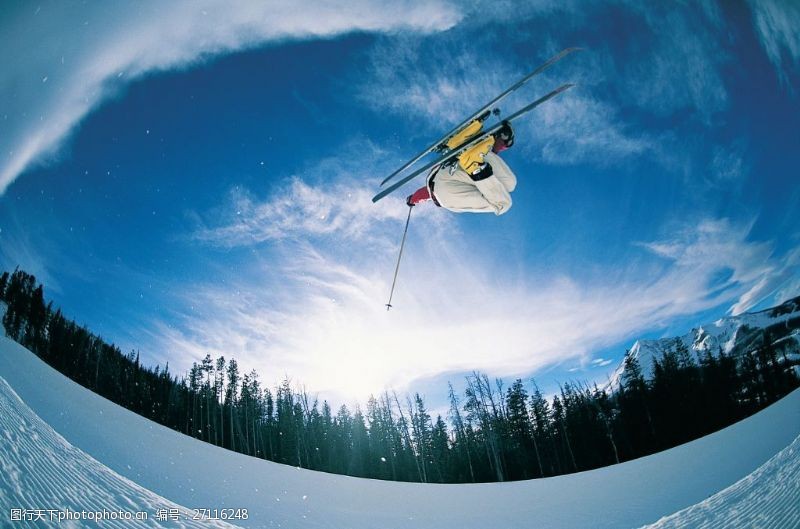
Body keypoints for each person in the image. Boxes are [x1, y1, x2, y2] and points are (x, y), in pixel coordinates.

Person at [406, 121, 516, 215]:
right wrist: (412, 199)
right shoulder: (432, 191)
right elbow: (424, 193)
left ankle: (475, 156)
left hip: (446, 183)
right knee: (504, 193)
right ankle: (471, 152)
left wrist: (413, 199)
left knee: (506, 192)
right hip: (443, 182)